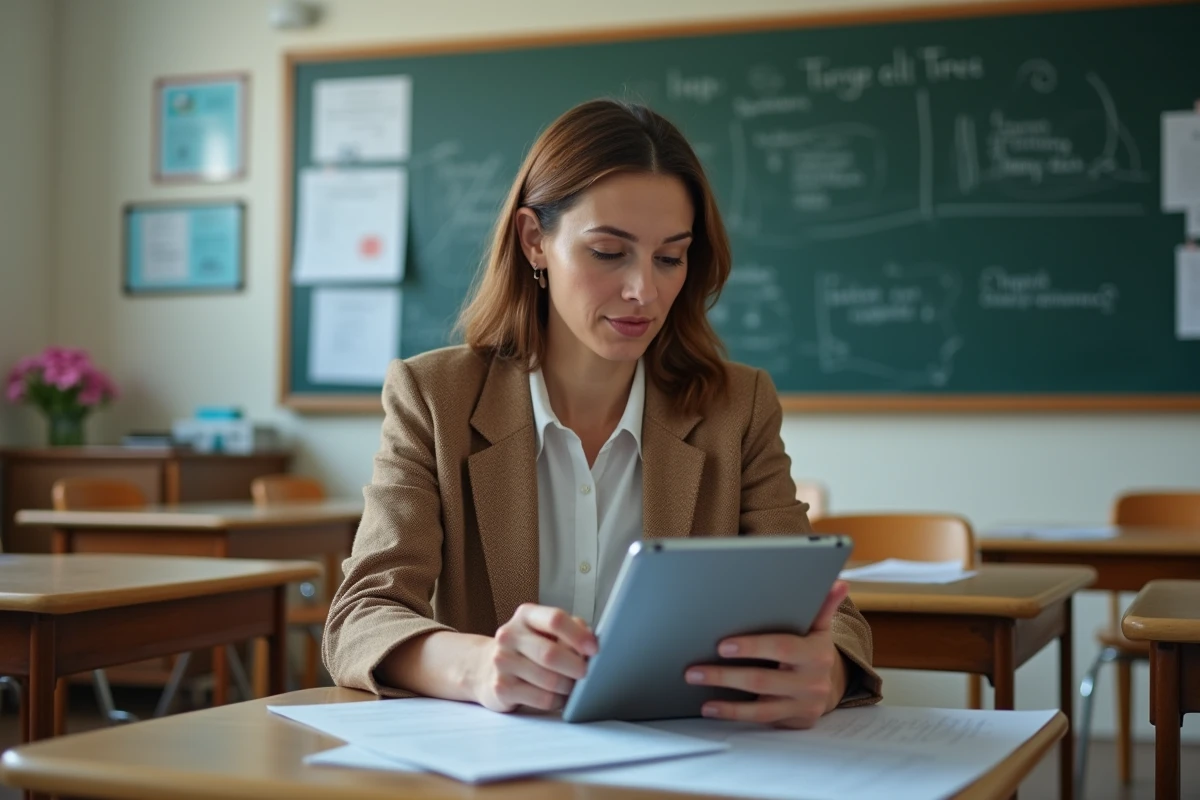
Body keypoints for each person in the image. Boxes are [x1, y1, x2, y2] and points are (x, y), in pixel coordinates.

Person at [324, 98, 882, 728]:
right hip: (498, 770)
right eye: (609, 252)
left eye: (670, 258)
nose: (643, 290)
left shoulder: (737, 406)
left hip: (688, 767)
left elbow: (833, 615)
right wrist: (481, 668)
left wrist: (827, 673)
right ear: (535, 240)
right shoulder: (435, 397)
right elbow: (360, 616)